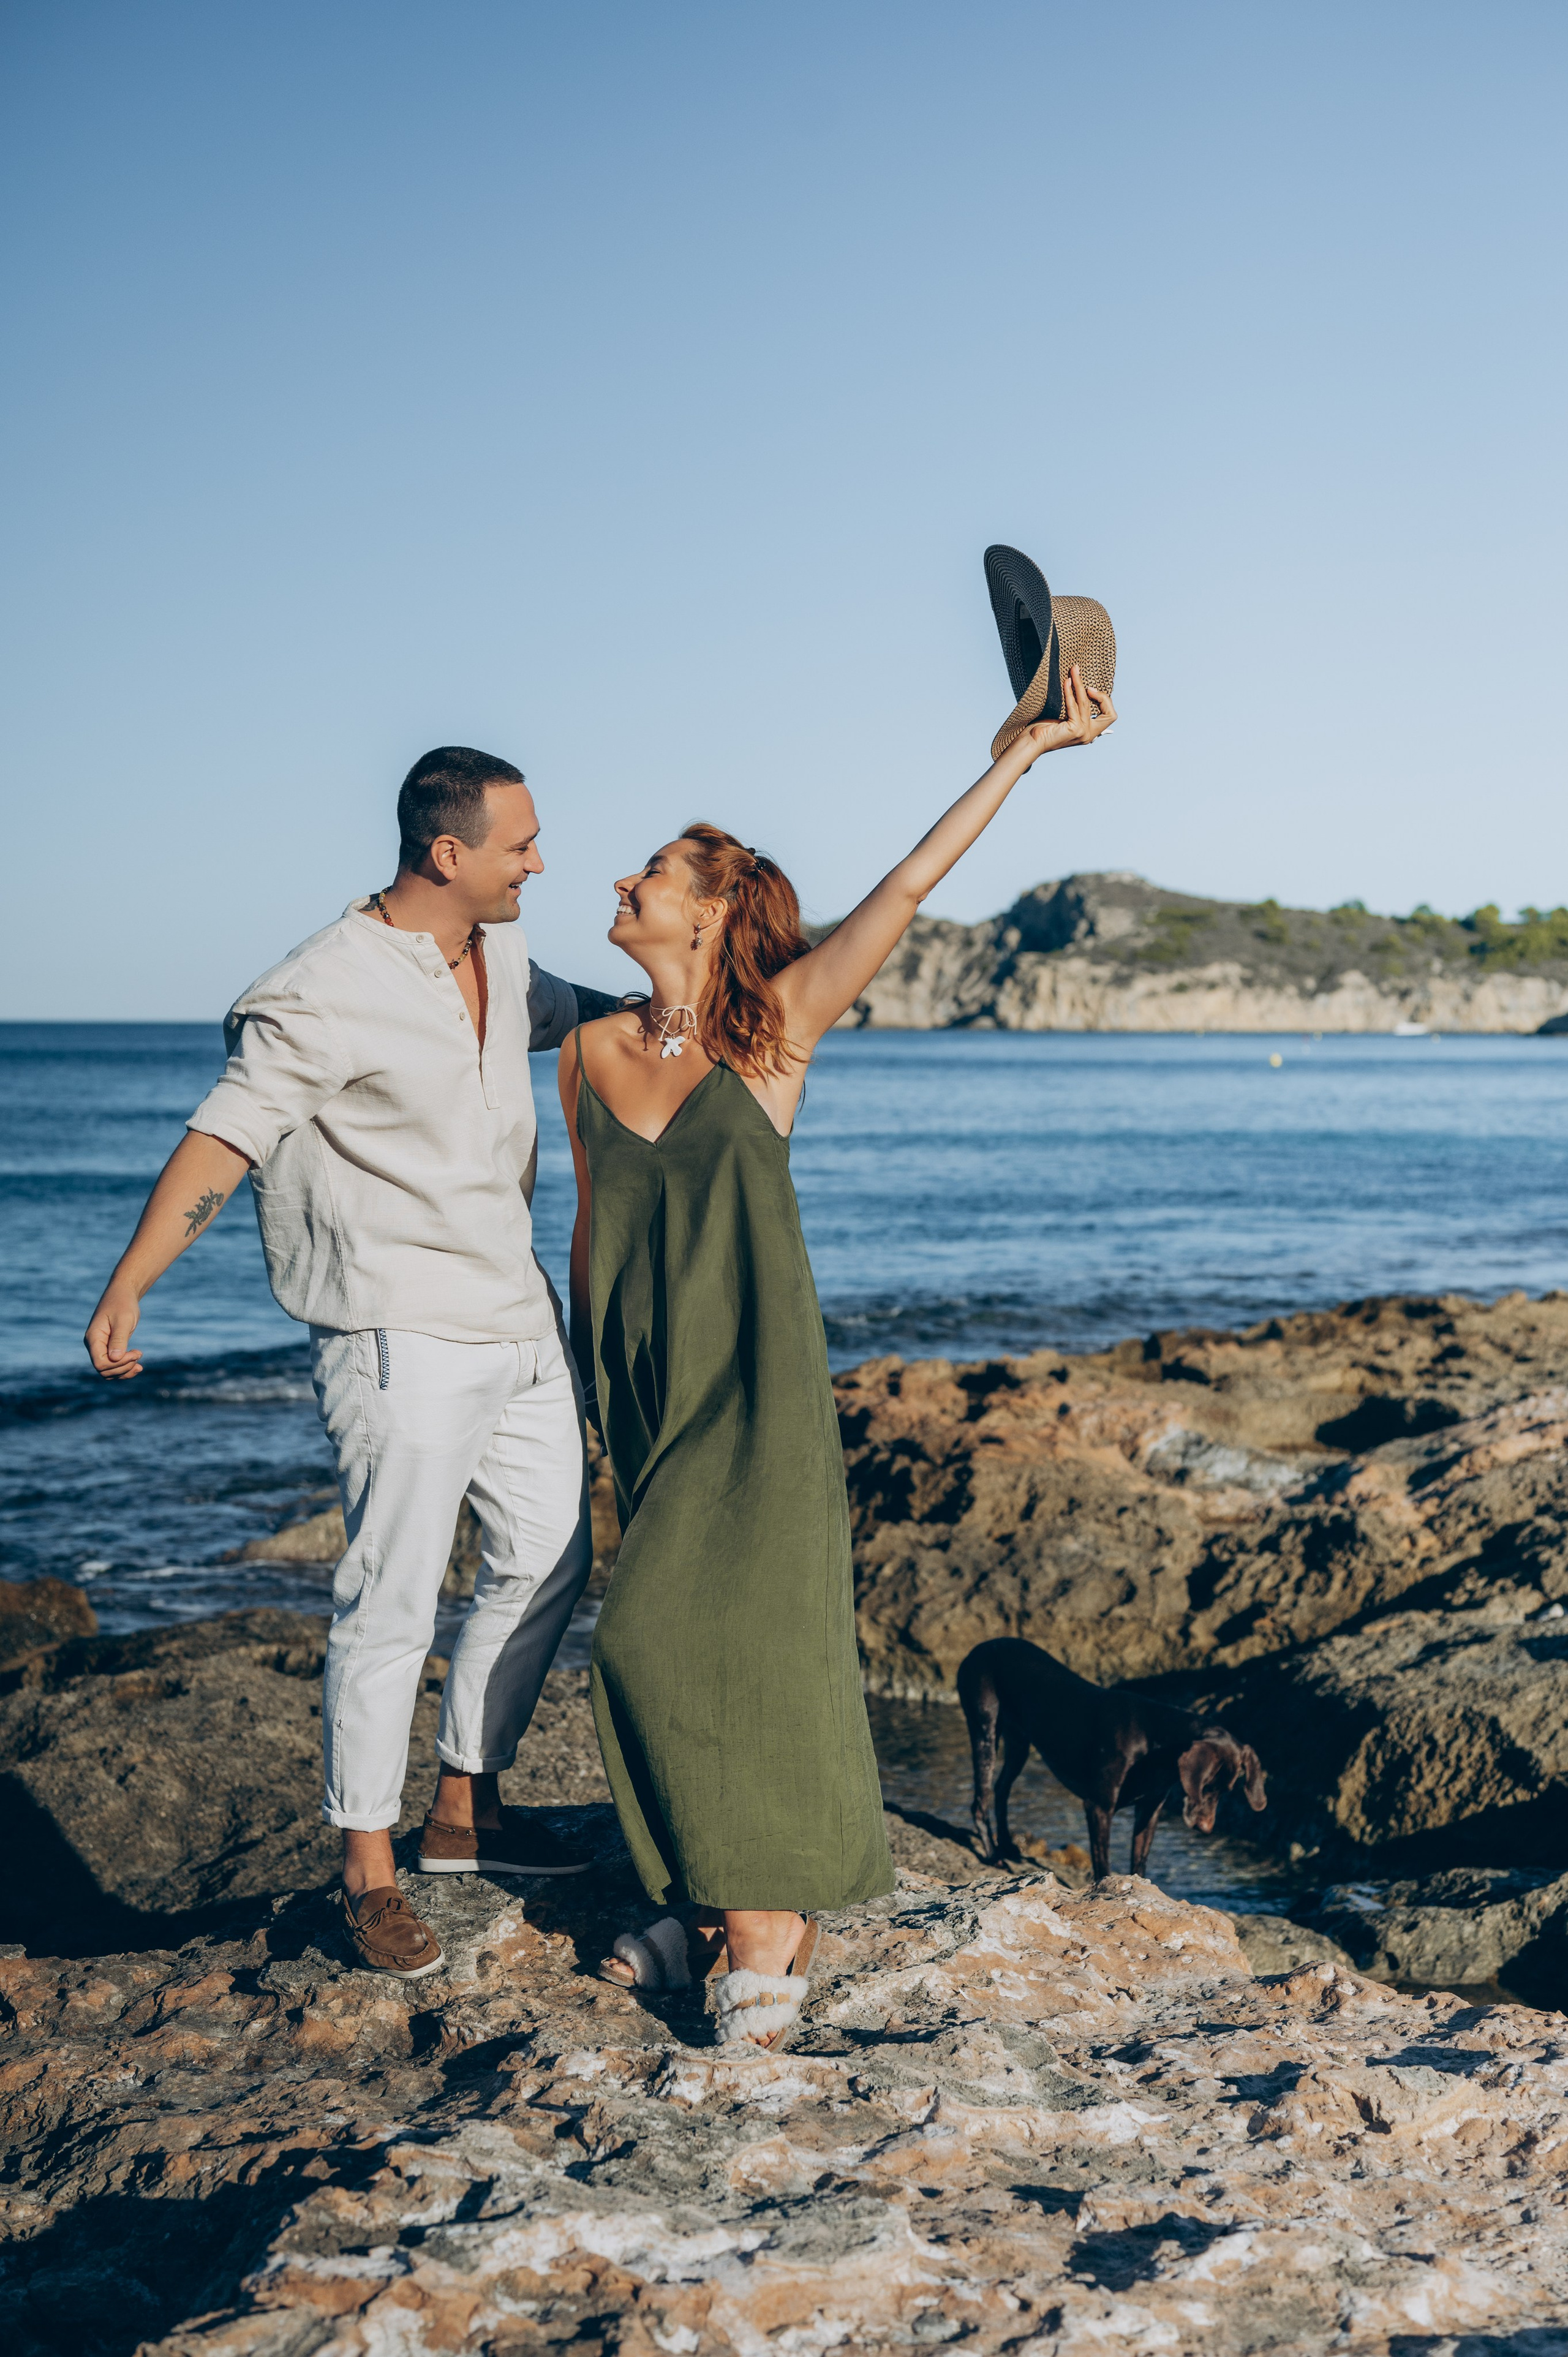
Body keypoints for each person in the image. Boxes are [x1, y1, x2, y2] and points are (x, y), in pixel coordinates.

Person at [558, 665, 1117, 2049]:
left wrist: (1020, 753)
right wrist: (581, 1379)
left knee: (697, 1634)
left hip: (754, 1383)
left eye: (653, 871)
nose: (624, 881)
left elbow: (909, 885)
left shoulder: (774, 1030)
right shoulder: (581, 1052)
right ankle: (711, 1904)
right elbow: (588, 1224)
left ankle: (763, 1929)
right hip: (643, 1383)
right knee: (654, 1641)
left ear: (712, 906)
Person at [85, 747, 622, 1979]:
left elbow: (575, 1010)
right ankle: (367, 1873)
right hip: (397, 1333)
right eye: (521, 844)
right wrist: (130, 1281)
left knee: (548, 1558)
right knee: (390, 1601)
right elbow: (226, 1137)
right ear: (449, 852)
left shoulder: (499, 958)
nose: (540, 862)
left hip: (520, 1320)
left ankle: (464, 1808)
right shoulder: (321, 988)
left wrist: (692, 1000)